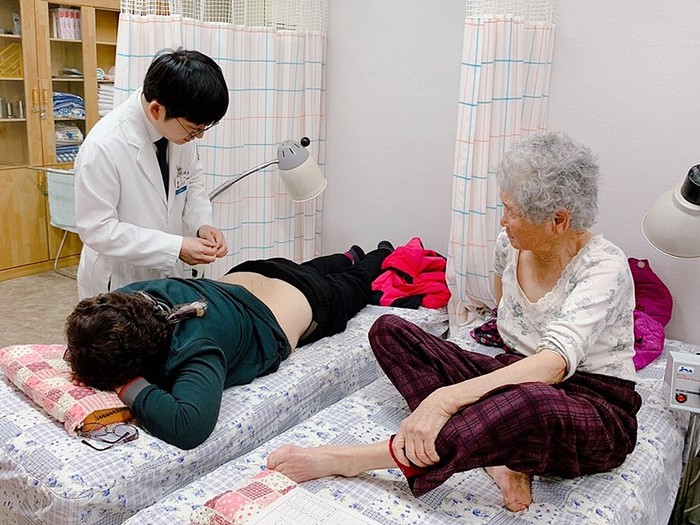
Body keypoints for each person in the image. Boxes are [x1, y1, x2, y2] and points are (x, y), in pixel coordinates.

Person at [266, 132, 641, 512]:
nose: (503, 221)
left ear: (558, 220)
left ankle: (352, 459)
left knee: (530, 400)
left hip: (592, 406)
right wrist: (472, 389)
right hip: (517, 374)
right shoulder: (510, 244)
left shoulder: (604, 267)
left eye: (512, 212)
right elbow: (507, 317)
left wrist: (444, 400)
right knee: (389, 331)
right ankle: (498, 452)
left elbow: (552, 366)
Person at [64, 242, 394, 450]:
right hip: (253, 271)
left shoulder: (195, 347)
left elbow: (189, 427)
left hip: (308, 299)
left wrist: (122, 383)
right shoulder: (127, 297)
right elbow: (90, 336)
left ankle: (382, 252)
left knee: (356, 283)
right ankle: (349, 255)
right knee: (312, 268)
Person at [74, 48, 229, 299]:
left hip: (165, 276)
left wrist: (202, 224)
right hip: (119, 279)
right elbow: (98, 230)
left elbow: (191, 183)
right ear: (156, 110)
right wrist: (175, 247)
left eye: (203, 128)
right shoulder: (104, 145)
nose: (199, 136)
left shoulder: (178, 129)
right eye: (194, 129)